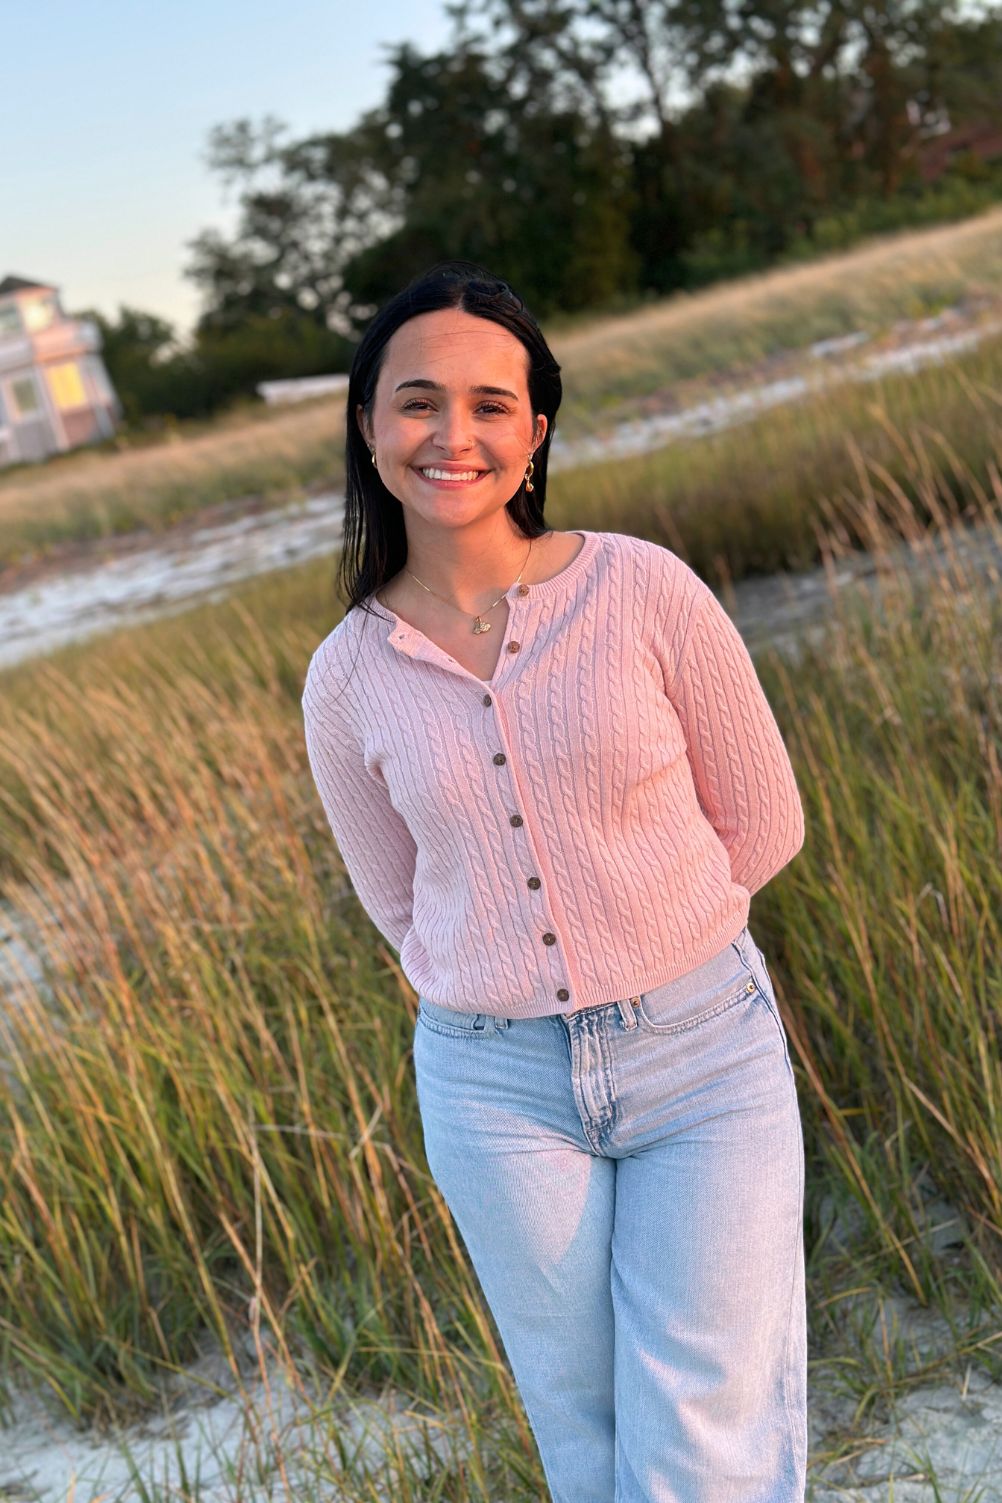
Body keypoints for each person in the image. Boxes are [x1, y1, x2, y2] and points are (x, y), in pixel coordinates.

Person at [301, 258, 808, 1502]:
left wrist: (651, 946)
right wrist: (514, 991)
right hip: (494, 1090)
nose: (451, 433)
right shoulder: (345, 676)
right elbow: (401, 904)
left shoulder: (642, 589)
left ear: (535, 430)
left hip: (703, 1056)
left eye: (490, 403)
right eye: (417, 402)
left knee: (702, 1441)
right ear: (370, 429)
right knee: (584, 1440)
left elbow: (764, 820)